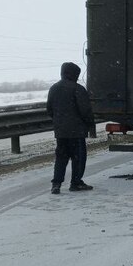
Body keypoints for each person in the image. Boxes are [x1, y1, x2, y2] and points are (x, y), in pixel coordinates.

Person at [47, 62, 95, 194]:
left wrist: (59, 121)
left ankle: (56, 184)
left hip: (61, 131)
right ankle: (76, 182)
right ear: (74, 74)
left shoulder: (53, 88)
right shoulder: (78, 89)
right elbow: (85, 110)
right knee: (78, 158)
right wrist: (90, 123)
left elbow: (49, 109)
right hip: (77, 131)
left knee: (61, 158)